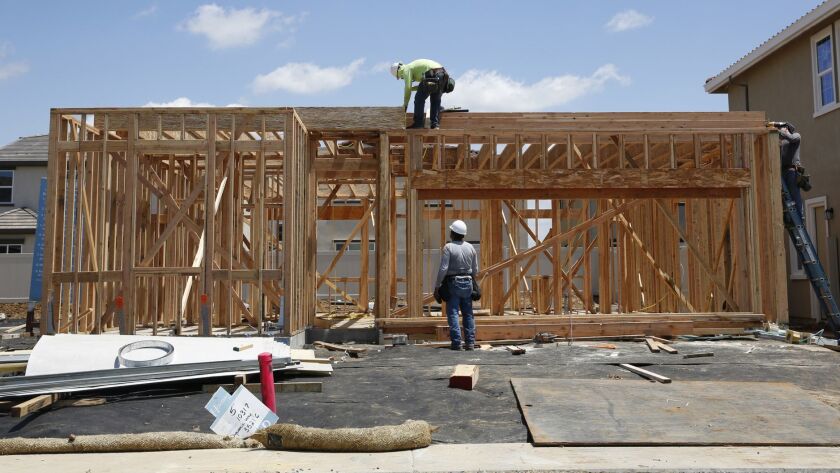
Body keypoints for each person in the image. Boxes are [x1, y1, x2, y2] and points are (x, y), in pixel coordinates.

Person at [433, 220, 479, 351]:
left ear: (452, 233)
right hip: (468, 282)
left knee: (453, 313)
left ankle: (457, 343)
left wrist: (437, 286)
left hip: (453, 283)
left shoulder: (449, 247)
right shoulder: (471, 247)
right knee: (468, 314)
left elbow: (443, 268)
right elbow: (475, 270)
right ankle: (470, 343)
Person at [390, 59, 447, 129]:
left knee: (419, 99)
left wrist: (405, 105)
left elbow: (408, 87)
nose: (401, 78)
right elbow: (423, 87)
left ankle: (418, 123)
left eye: (399, 76)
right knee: (435, 100)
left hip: (431, 74)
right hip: (442, 75)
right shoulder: (414, 67)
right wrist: (411, 88)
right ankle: (435, 124)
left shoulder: (406, 69)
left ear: (399, 70)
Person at [774, 122, 804, 217]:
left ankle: (800, 216)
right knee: (785, 198)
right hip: (782, 172)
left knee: (794, 195)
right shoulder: (781, 142)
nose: (778, 130)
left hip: (792, 171)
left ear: (786, 128)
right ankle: (789, 217)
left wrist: (777, 130)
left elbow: (791, 138)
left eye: (780, 128)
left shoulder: (796, 136)